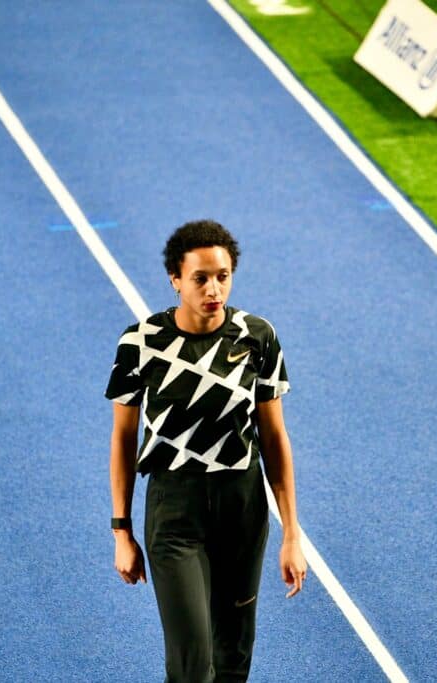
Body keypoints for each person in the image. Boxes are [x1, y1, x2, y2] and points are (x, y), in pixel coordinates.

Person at [106, 219, 307, 682]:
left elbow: (274, 438)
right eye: (200, 278)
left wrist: (291, 534)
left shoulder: (257, 337)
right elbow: (122, 438)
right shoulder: (141, 344)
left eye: (222, 276)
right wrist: (122, 529)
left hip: (242, 507)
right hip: (175, 511)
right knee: (193, 665)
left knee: (233, 660)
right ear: (175, 280)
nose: (213, 288)